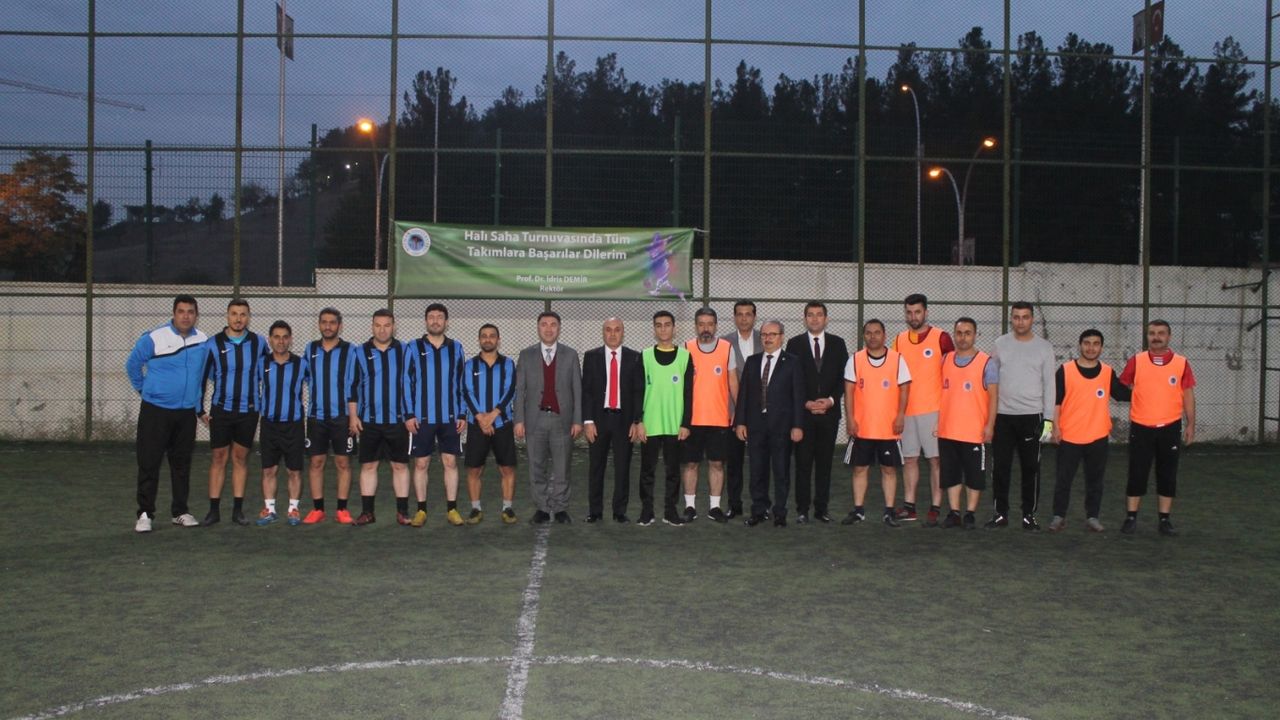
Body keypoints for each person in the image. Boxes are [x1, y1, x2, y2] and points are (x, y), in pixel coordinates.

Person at [126, 294, 209, 532]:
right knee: (149, 462)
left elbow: (201, 376)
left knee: (181, 464)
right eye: (181, 311)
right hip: (156, 412)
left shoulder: (202, 340)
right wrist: (144, 390)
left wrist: (198, 407)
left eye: (190, 312)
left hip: (185, 414)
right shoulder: (154, 337)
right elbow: (132, 365)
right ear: (174, 313)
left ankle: (180, 512)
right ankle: (145, 514)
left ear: (196, 315)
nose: (186, 316)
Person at [1048, 329, 1132, 533]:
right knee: (1063, 480)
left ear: (1101, 347)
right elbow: (1055, 402)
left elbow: (1122, 394)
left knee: (1095, 480)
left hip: (1097, 436)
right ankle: (1059, 516)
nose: (1091, 348)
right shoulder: (1065, 370)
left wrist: (1145, 385)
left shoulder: (1107, 372)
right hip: (1069, 436)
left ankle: (1092, 517)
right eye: (1087, 343)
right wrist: (1054, 428)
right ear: (1080, 345)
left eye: (1096, 344)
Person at [1118, 320, 1196, 536]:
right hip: (1141, 427)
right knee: (1137, 473)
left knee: (1167, 474)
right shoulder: (1137, 361)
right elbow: (1120, 387)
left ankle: (1164, 520)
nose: (1156, 337)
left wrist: (1191, 423)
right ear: (1147, 337)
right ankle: (1131, 518)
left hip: (1170, 428)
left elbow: (1188, 395)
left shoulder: (1181, 363)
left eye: (1161, 333)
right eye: (1152, 333)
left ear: (1169, 336)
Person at [986, 301, 1056, 531]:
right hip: (1003, 417)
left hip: (1032, 417)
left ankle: (1029, 515)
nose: (1020, 322)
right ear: (1011, 319)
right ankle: (1000, 514)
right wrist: (990, 417)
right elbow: (991, 380)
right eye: (1016, 317)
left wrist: (1048, 421)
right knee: (1000, 468)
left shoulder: (1044, 348)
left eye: (1025, 317)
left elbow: (1050, 385)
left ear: (1032, 319)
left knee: (1031, 469)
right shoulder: (1000, 344)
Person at [198, 298, 267, 526]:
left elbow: (267, 374)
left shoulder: (259, 343)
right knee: (219, 457)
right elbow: (202, 378)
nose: (238, 319)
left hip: (248, 411)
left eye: (243, 314)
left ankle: (238, 511)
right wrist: (199, 409)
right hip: (221, 410)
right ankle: (213, 511)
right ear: (227, 316)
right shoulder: (212, 343)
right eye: (234, 314)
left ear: (249, 317)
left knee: (240, 458)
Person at [513, 311, 582, 524]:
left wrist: (577, 420)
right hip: (535, 419)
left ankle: (560, 507)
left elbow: (577, 389)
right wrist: (518, 419)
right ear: (538, 327)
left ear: (559, 328)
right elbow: (520, 390)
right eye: (544, 324)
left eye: (553, 324)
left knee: (562, 467)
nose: (549, 328)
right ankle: (542, 507)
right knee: (536, 466)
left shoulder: (571, 355)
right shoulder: (526, 355)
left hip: (563, 420)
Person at [841, 319, 912, 528]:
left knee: (889, 470)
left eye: (877, 332)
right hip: (862, 428)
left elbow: (905, 390)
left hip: (888, 428)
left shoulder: (898, 359)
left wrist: (900, 416)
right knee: (859, 469)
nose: (873, 336)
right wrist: (850, 419)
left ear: (884, 335)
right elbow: (849, 392)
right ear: (864, 336)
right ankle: (858, 510)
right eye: (869, 333)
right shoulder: (855, 360)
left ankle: (889, 511)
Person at [734, 320, 805, 527]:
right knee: (757, 470)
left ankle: (780, 512)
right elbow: (744, 395)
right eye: (764, 335)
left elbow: (798, 396)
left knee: (781, 471)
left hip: (782, 426)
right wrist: (740, 422)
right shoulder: (752, 361)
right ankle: (759, 510)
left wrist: (798, 425)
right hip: (756, 425)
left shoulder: (792, 362)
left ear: (781, 337)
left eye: (772, 334)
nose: (768, 338)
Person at [892, 293, 954, 526]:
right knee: (909, 459)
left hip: (933, 411)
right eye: (909, 312)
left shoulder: (941, 338)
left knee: (935, 460)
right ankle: (909, 507)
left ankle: (935, 507)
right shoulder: (899, 340)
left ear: (926, 312)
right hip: (907, 412)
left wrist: (946, 411)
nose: (913, 316)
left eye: (917, 312)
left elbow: (952, 374)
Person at [403, 303, 467, 527]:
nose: (436, 321)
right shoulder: (413, 347)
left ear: (446, 322)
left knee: (450, 462)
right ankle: (421, 510)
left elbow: (462, 383)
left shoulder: (456, 348)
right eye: (431, 317)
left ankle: (452, 509)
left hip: (450, 417)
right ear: (426, 321)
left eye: (440, 317)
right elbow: (406, 382)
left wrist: (462, 413)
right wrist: (409, 414)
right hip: (422, 418)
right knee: (421, 463)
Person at [787, 300, 849, 524]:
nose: (815, 318)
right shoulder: (794, 344)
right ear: (805, 319)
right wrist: (805, 402)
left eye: (819, 314)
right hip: (804, 416)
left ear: (826, 319)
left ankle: (821, 509)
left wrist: (831, 401)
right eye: (810, 315)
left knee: (825, 464)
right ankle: (802, 509)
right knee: (803, 464)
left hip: (829, 415)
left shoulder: (838, 343)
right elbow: (791, 378)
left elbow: (844, 378)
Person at [347, 309, 411, 526]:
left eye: (387, 325)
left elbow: (412, 383)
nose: (382, 330)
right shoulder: (360, 352)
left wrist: (411, 414)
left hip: (398, 421)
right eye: (378, 325)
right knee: (368, 466)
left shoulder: (404, 350)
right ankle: (367, 512)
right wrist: (353, 416)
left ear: (394, 326)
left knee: (400, 466)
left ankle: (402, 512)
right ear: (372, 326)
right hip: (369, 421)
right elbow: (353, 386)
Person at [937, 318, 999, 530]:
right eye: (959, 333)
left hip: (974, 431)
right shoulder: (945, 360)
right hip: (948, 430)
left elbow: (994, 397)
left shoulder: (986, 363)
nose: (962, 337)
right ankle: (954, 512)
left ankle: (970, 514)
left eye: (967, 333)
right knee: (951, 474)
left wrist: (990, 425)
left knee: (974, 476)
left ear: (975, 335)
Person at [635, 311, 694, 526]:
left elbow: (689, 393)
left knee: (673, 471)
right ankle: (647, 511)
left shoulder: (685, 356)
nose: (663, 329)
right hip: (650, 424)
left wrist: (686, 423)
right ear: (654, 329)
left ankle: (670, 511)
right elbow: (638, 391)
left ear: (674, 328)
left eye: (667, 325)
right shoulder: (645, 356)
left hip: (674, 425)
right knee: (647, 471)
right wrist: (639, 421)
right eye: (658, 325)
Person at [680, 307, 739, 523]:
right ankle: (690, 507)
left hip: (719, 419)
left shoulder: (727, 348)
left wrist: (739, 413)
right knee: (691, 464)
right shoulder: (685, 348)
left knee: (717, 464)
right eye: (701, 324)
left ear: (716, 326)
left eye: (710, 324)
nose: (706, 328)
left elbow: (733, 382)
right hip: (692, 420)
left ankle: (715, 507)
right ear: (696, 326)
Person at [582, 318, 643, 523]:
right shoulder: (591, 357)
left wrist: (636, 420)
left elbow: (638, 391)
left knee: (623, 467)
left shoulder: (634, 357)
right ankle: (595, 511)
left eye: (617, 330)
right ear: (603, 333)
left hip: (624, 421)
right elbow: (587, 391)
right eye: (608, 330)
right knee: (596, 467)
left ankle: (619, 511)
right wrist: (588, 421)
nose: (613, 334)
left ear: (623, 333)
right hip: (598, 420)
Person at [301, 307, 357, 524]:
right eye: (324, 322)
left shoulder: (350, 350)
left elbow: (354, 383)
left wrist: (354, 416)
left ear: (340, 326)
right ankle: (318, 509)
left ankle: (342, 509)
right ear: (319, 324)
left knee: (343, 462)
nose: (328, 326)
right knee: (316, 462)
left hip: (342, 416)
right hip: (316, 416)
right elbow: (305, 378)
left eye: (332, 322)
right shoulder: (310, 349)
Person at [461, 324, 519, 524]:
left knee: (507, 469)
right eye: (484, 336)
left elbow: (510, 390)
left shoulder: (508, 364)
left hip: (502, 423)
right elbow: (466, 392)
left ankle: (507, 508)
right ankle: (475, 509)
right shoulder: (470, 365)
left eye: (492, 336)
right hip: (477, 425)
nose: (488, 339)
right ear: (479, 340)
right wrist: (480, 418)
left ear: (498, 340)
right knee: (474, 470)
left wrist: (492, 415)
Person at [254, 321, 308, 526]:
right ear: (270, 339)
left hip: (293, 425)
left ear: (290, 339)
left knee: (294, 470)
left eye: (285, 337)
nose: (281, 341)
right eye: (276, 337)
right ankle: (269, 509)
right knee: (269, 470)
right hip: (269, 425)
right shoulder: (262, 363)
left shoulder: (301, 364)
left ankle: (293, 509)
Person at [721, 300, 760, 519]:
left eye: (748, 314)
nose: (744, 318)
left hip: (761, 412)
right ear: (734, 317)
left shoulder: (765, 339)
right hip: (732, 411)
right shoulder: (724, 342)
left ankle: (760, 506)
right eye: (740, 314)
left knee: (759, 462)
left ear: (754, 317)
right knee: (734, 462)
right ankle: (734, 505)